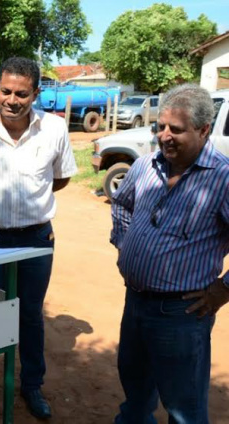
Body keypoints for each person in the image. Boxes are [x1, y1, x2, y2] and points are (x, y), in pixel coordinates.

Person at [0, 57, 77, 419]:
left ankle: (32, 385)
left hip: (35, 241)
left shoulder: (54, 130)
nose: (12, 100)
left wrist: (30, 200)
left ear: (35, 93)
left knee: (30, 315)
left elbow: (61, 178)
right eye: (5, 91)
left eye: (21, 93)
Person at [111, 83, 229, 424]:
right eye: (160, 127)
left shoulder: (222, 178)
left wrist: (224, 289)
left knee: (184, 410)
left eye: (175, 129)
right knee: (135, 398)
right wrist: (126, 244)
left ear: (204, 129)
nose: (165, 136)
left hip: (181, 314)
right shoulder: (147, 164)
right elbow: (121, 205)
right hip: (135, 302)